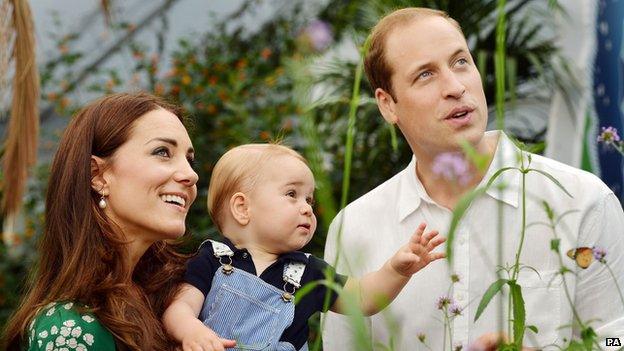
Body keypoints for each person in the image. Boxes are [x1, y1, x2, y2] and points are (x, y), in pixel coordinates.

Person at [322, 7, 624, 351]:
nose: (454, 86)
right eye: (425, 75)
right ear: (388, 105)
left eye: (460, 62)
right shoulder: (355, 227)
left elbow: (617, 337)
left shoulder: (582, 201)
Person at [162, 143, 446, 351]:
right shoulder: (212, 259)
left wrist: (396, 270)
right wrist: (191, 330)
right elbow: (180, 307)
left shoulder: (308, 271)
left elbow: (362, 299)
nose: (307, 209)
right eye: (292, 194)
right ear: (242, 208)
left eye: (309, 200)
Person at [2, 92, 199, 350]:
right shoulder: (70, 328)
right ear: (97, 175)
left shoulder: (179, 303)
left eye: (190, 159)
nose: (190, 175)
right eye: (162, 152)